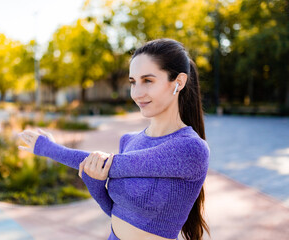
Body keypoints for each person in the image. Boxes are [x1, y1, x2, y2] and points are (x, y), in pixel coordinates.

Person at [18, 38, 210, 240]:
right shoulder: (129, 141)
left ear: (178, 82)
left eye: (148, 80)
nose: (136, 93)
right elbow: (114, 211)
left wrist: (48, 148)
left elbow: (110, 165)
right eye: (133, 82)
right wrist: (95, 182)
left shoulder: (190, 148)